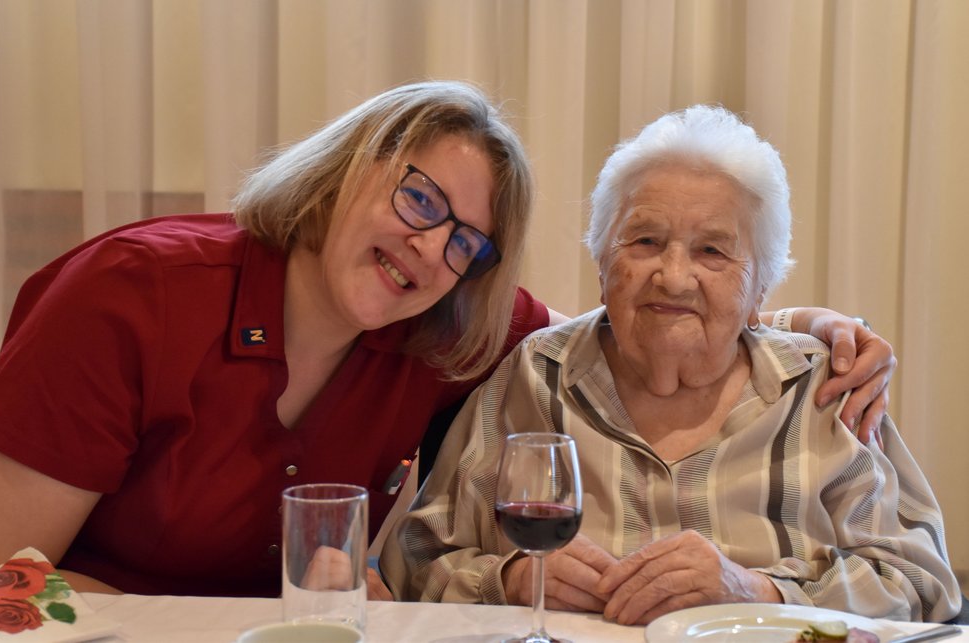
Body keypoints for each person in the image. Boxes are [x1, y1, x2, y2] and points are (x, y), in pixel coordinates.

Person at [0, 81, 893, 599]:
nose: (428, 246)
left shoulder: (446, 329)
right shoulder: (133, 294)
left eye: (465, 240)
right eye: (418, 199)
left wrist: (797, 324)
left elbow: (662, 307)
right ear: (345, 167)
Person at [380, 104, 961, 623]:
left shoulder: (826, 391)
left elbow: (923, 585)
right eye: (645, 241)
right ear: (603, 264)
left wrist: (758, 593)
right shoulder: (537, 376)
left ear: (760, 286)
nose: (674, 276)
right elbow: (416, 557)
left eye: (712, 250)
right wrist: (506, 580)